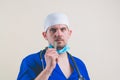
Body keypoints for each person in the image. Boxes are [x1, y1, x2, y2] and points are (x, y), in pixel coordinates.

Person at [17, 13, 90, 80]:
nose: (58, 34)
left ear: (69, 33)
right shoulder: (31, 61)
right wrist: (48, 69)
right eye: (53, 30)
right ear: (45, 35)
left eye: (63, 29)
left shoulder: (79, 64)